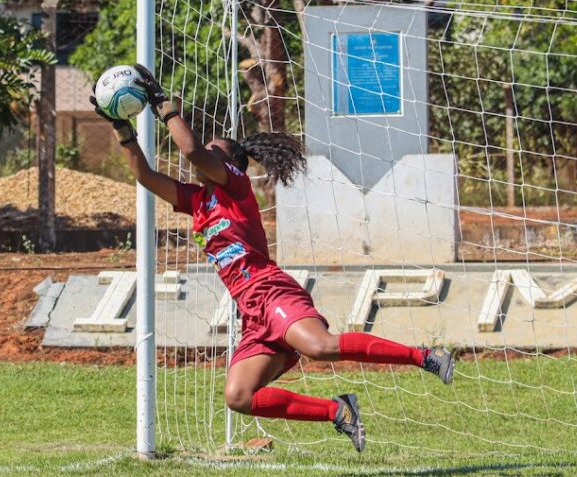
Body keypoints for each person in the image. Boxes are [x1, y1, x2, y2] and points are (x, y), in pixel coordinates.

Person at [91, 65, 455, 453]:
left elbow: (192, 150)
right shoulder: (197, 202)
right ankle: (338, 412)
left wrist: (163, 104)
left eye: (215, 149)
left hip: (272, 292)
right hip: (251, 313)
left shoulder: (236, 188)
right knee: (239, 396)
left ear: (229, 165)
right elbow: (146, 176)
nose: (204, 154)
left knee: (321, 347)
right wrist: (120, 126)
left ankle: (427, 357)